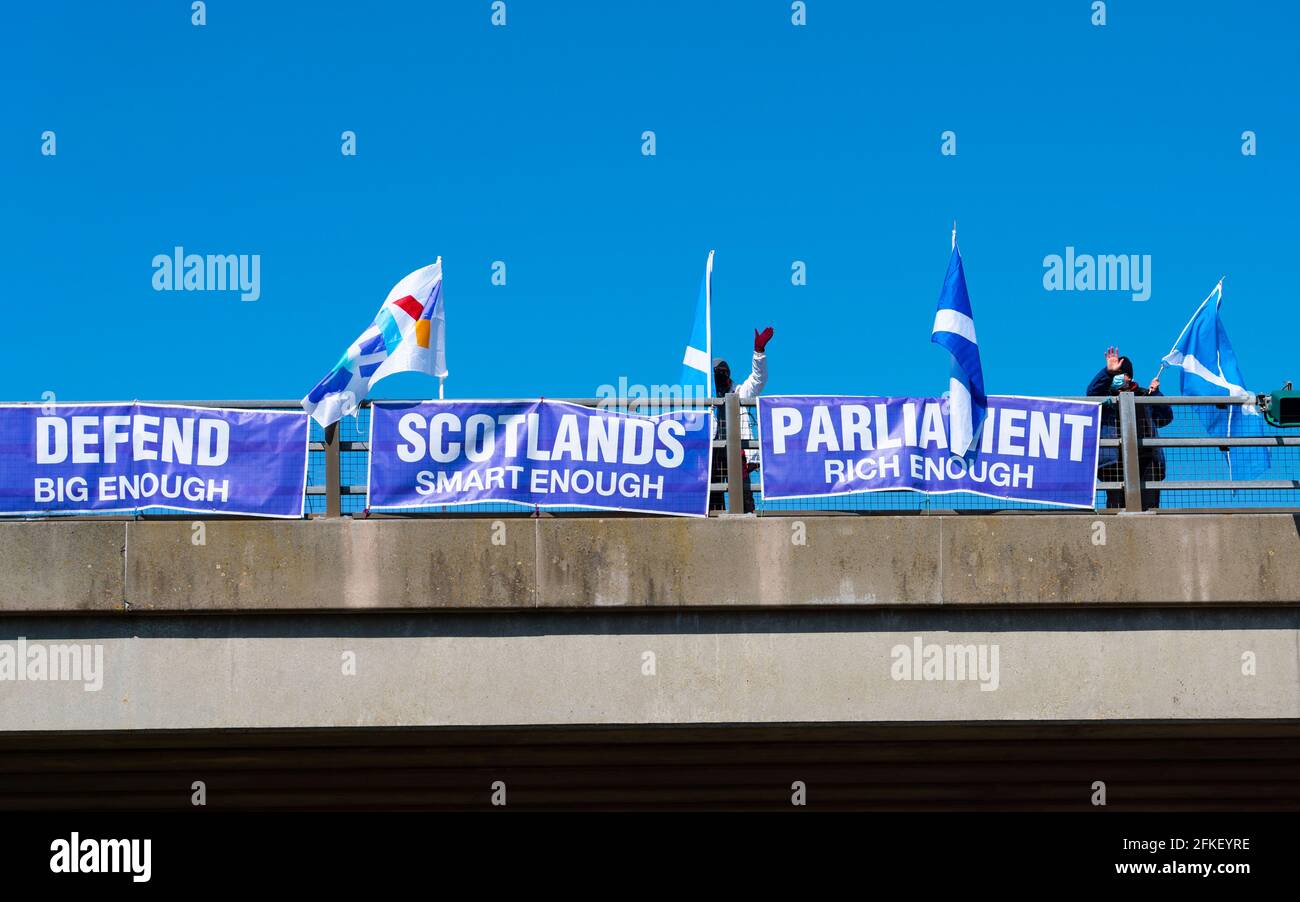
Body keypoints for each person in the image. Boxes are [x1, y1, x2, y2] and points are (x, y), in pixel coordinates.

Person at [1087, 346, 1173, 510]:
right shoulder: (1106, 396)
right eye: (1116, 375)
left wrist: (1155, 394)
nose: (1119, 378)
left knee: (1149, 507)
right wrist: (1108, 372)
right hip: (1114, 459)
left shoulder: (1144, 395)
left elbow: (1165, 417)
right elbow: (1091, 393)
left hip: (1148, 458)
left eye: (1122, 374)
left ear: (1130, 377)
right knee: (1117, 506)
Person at [709, 326, 774, 513]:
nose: (719, 379)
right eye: (715, 376)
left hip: (739, 454)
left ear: (728, 375)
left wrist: (759, 351)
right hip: (715, 454)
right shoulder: (706, 400)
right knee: (713, 496)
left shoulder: (741, 391)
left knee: (744, 496)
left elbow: (758, 379)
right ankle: (713, 522)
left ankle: (748, 520)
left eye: (721, 374)